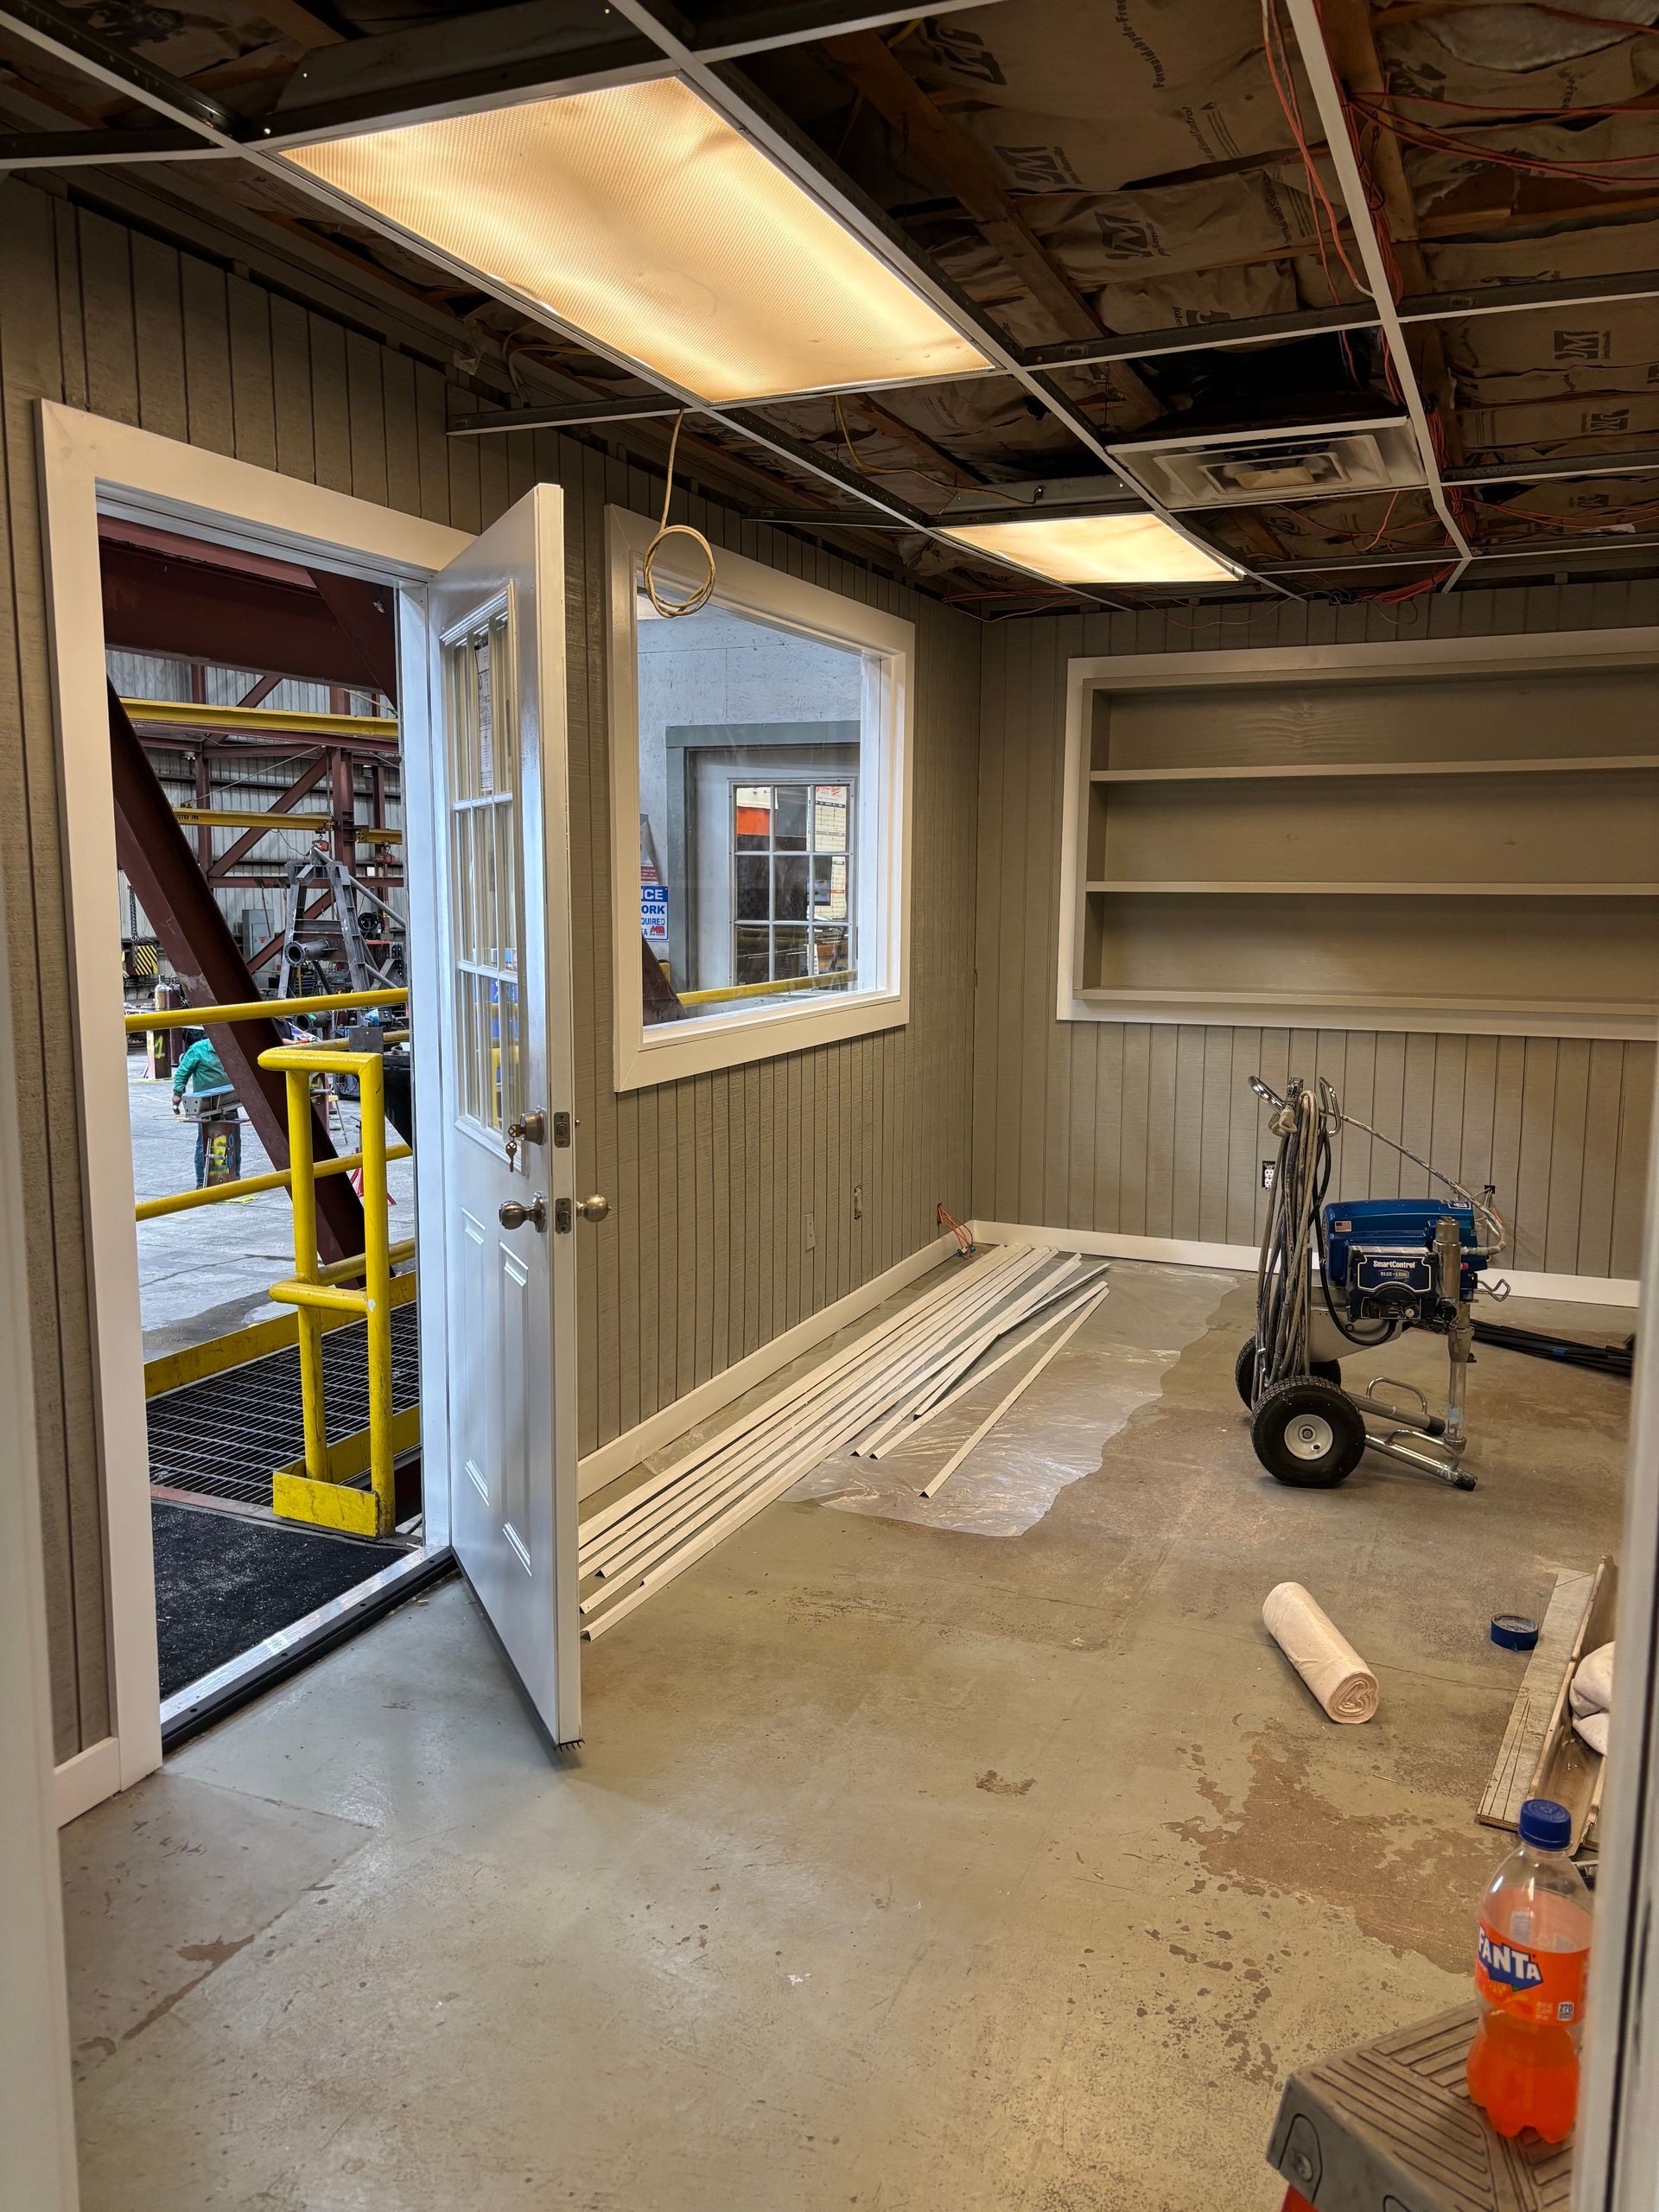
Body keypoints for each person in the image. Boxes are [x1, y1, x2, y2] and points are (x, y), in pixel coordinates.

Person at [170, 1029, 237, 1188]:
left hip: (229, 1100)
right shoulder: (198, 1050)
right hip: (206, 1105)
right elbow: (182, 1072)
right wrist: (177, 1093)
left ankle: (233, 1176)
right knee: (205, 1142)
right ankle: (202, 1182)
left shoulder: (231, 1048)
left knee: (232, 1140)